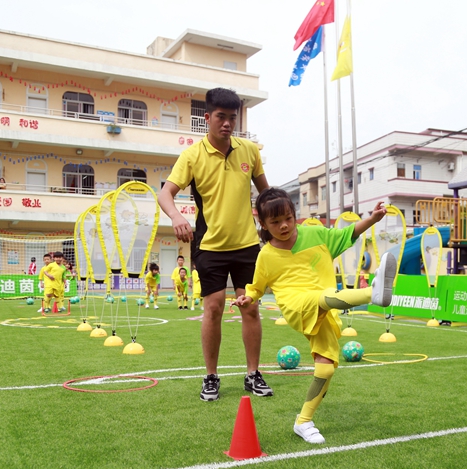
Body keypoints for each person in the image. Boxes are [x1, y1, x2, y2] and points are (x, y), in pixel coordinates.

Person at [233, 188, 396, 444]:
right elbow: (257, 285)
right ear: (263, 224)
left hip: (325, 306)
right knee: (322, 297)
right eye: (275, 222)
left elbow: (346, 234)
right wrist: (248, 297)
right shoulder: (265, 255)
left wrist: (372, 220)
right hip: (296, 305)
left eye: (287, 218)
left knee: (326, 367)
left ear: (294, 215)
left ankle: (304, 421)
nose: (283, 226)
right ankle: (371, 294)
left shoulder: (316, 234)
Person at [157, 87, 272, 402]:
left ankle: (253, 374)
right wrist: (176, 216)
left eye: (232, 118)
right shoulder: (191, 156)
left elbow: (266, 195)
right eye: (221, 117)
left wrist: (278, 223)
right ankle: (211, 377)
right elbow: (165, 193)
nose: (227, 124)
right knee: (213, 308)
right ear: (207, 118)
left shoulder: (249, 150)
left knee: (250, 308)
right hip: (209, 245)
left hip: (247, 244)